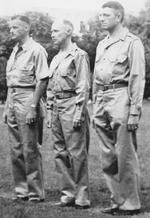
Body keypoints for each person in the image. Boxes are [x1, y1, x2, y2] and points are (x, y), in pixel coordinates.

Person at [92, 1, 145, 215]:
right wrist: (95, 101)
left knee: (125, 154)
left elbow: (137, 78)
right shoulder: (101, 44)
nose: (101, 18)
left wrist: (134, 111)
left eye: (106, 15)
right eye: (100, 14)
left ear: (119, 17)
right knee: (107, 155)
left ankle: (131, 204)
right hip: (102, 98)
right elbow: (96, 76)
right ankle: (116, 201)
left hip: (121, 96)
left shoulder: (133, 42)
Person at [3, 15, 49, 202]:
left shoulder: (36, 50)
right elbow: (11, 82)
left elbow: (42, 80)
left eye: (15, 27)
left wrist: (33, 107)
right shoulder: (15, 50)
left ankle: (35, 192)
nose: (11, 31)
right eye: (10, 27)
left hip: (28, 97)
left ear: (26, 28)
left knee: (30, 147)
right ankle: (21, 190)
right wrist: (7, 106)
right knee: (15, 148)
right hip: (13, 98)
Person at [47, 19, 90, 208]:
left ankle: (82, 197)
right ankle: (67, 194)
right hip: (56, 106)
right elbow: (50, 87)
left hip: (72, 104)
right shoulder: (56, 57)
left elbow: (83, 85)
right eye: (51, 31)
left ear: (68, 31)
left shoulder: (79, 55)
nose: (52, 34)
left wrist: (79, 112)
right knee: (59, 152)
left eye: (56, 31)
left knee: (77, 153)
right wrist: (49, 111)